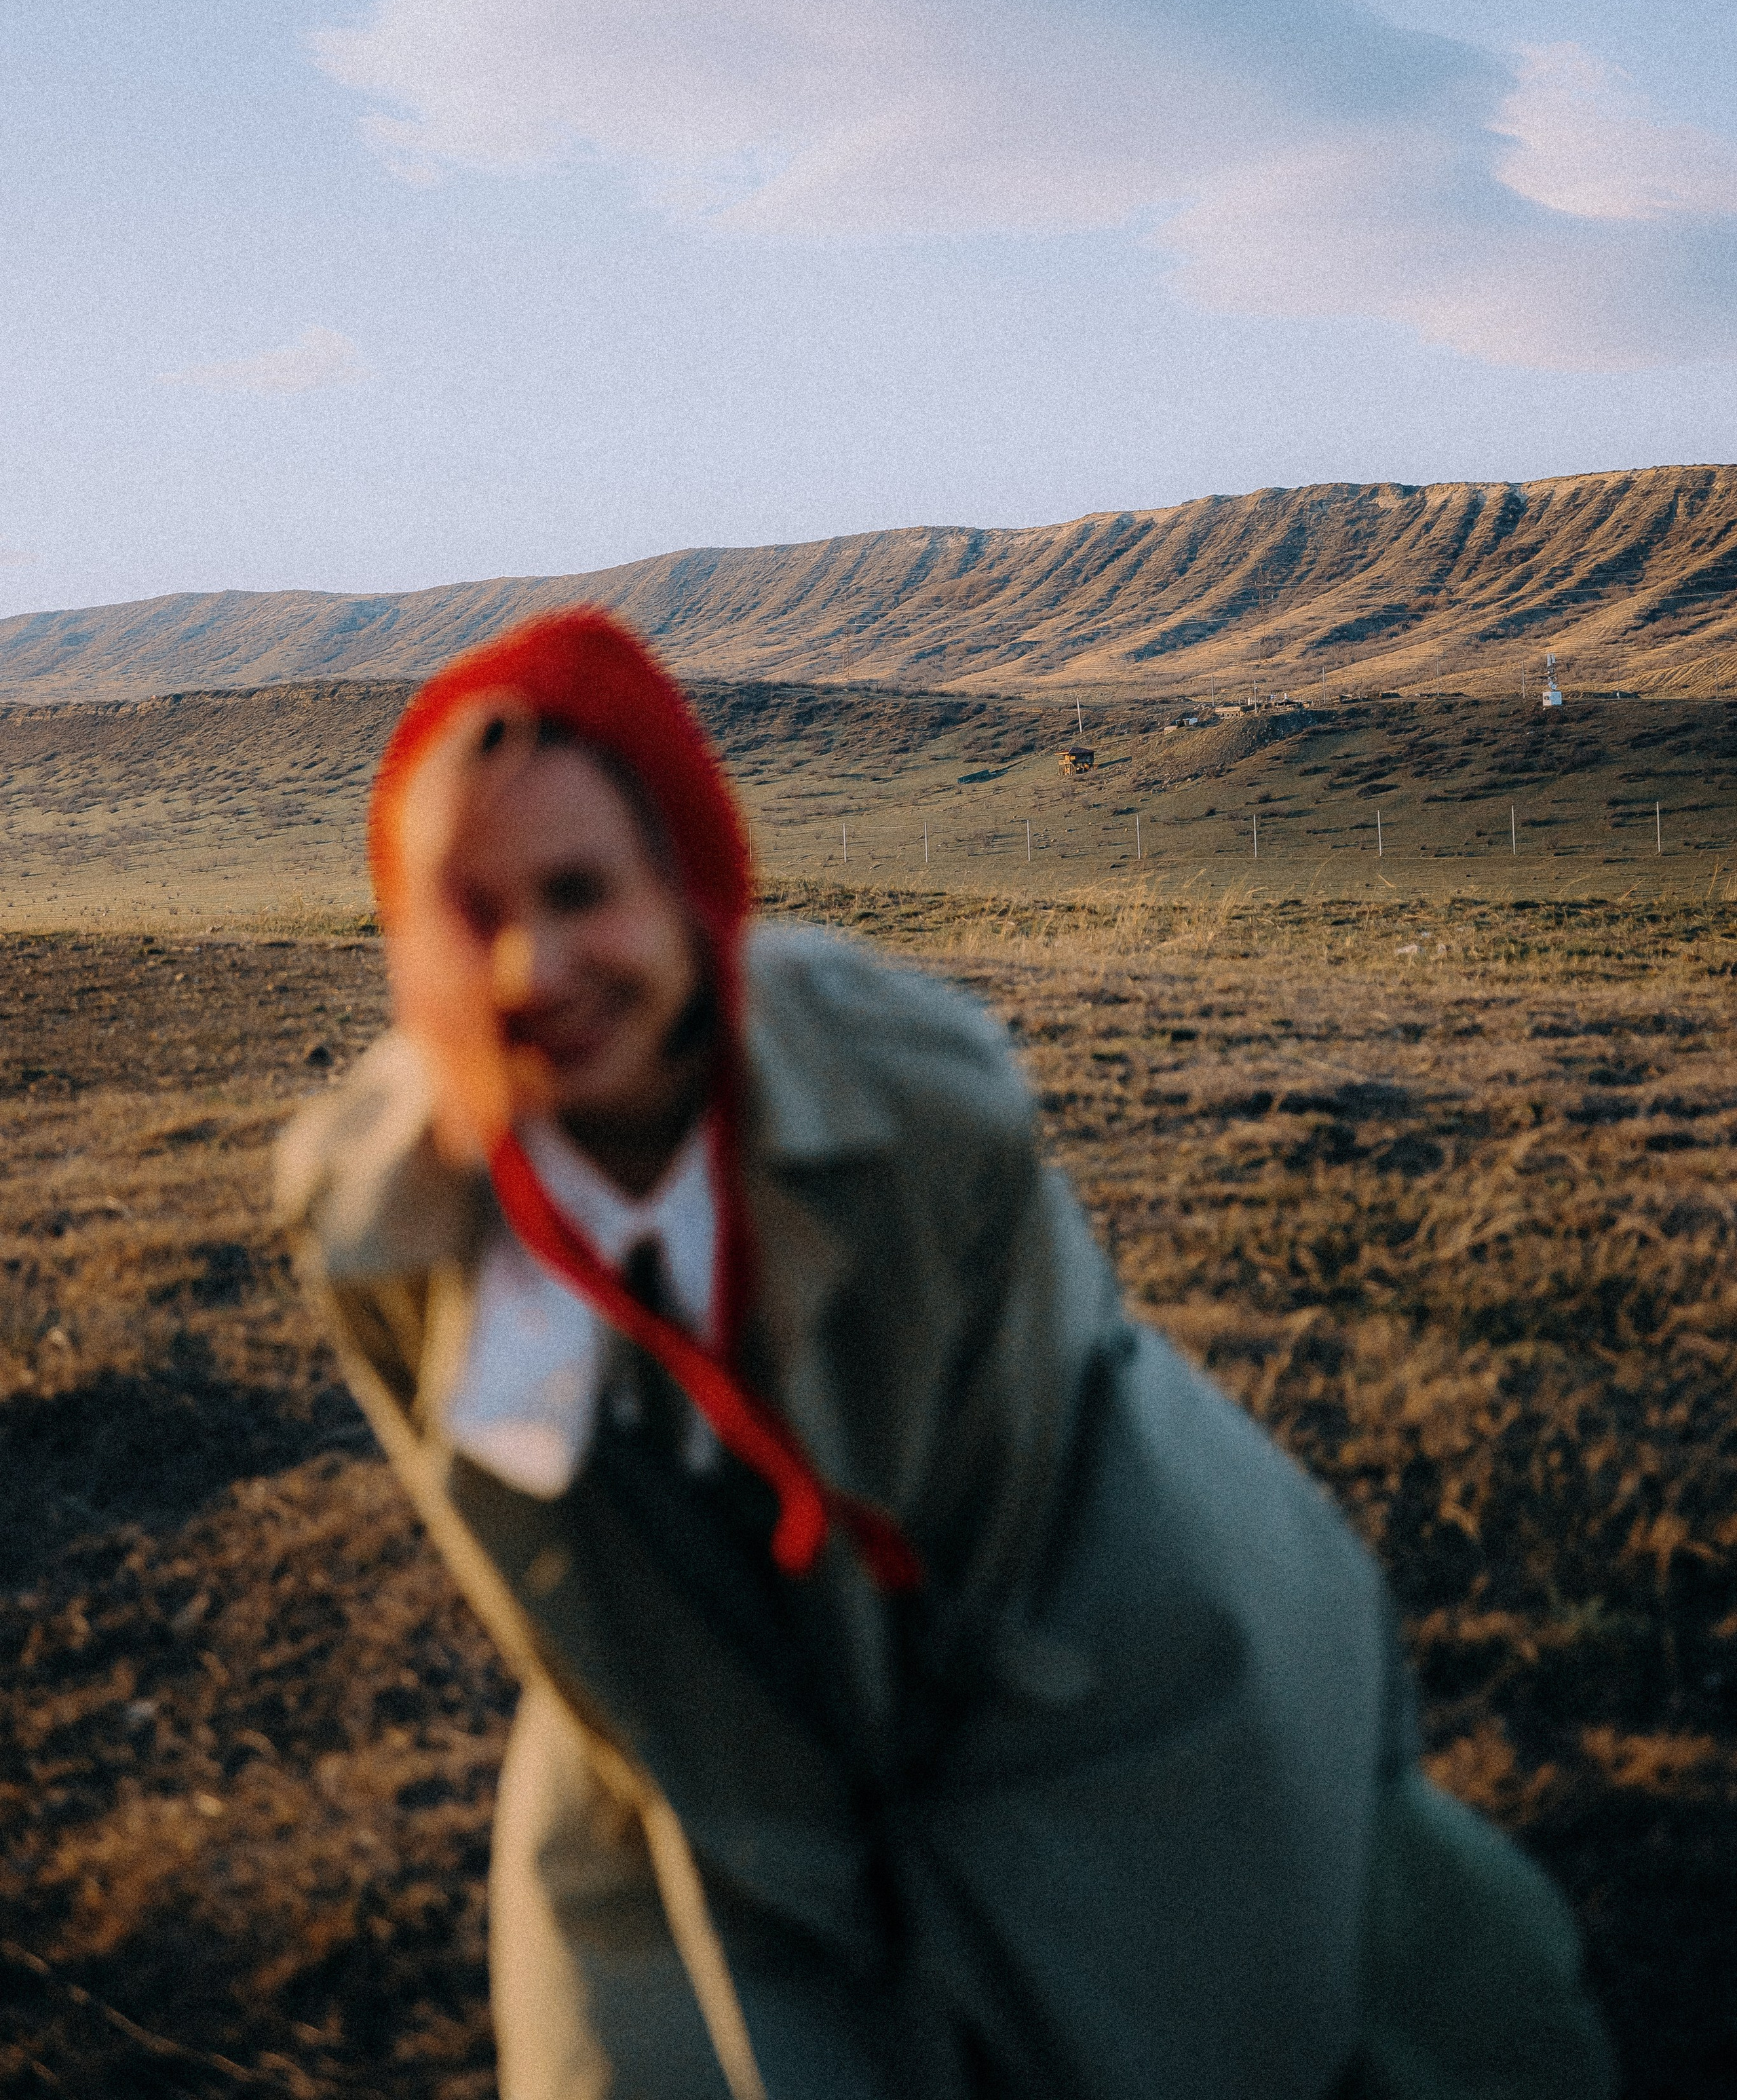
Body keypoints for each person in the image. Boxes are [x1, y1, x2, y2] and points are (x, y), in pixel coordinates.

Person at [276, 608, 1611, 2100]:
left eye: (580, 892)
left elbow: (994, 1505)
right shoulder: (383, 1224)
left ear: (686, 887)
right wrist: (767, 1817)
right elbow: (558, 1603)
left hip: (1072, 1613)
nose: (533, 966)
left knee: (1281, 1966)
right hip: (692, 1699)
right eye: (473, 914)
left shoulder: (920, 1108)